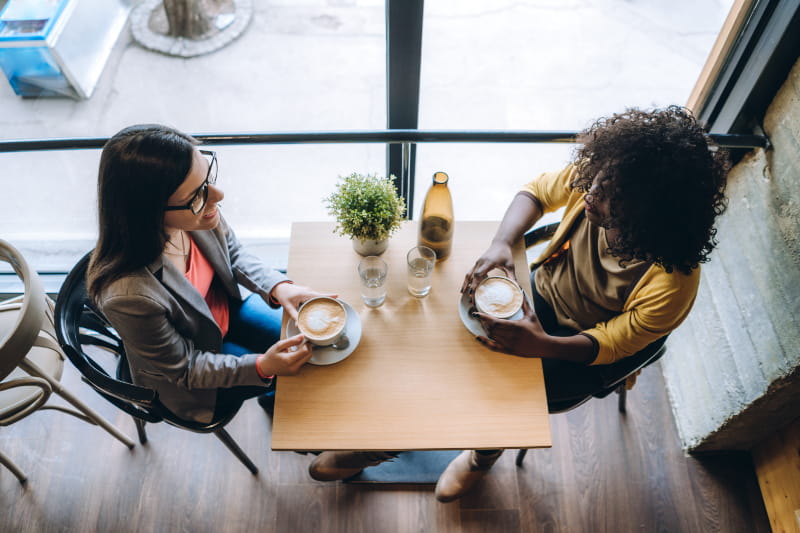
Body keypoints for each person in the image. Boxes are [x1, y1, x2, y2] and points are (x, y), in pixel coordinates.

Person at [305, 106, 730, 502]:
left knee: (497, 404)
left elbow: (612, 345)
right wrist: (502, 243)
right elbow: (537, 192)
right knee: (432, 348)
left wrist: (540, 344)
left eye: (605, 201)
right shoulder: (607, 184)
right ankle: (378, 445)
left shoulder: (672, 285)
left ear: (641, 224)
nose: (590, 193)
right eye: (597, 181)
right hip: (532, 292)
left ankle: (479, 458)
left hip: (574, 347)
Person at [87, 124, 330, 424]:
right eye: (198, 193)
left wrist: (278, 285)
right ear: (149, 211)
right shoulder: (128, 295)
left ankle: (272, 395)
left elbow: (232, 253)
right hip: (196, 374)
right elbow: (186, 369)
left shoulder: (196, 210)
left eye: (208, 178)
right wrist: (265, 366)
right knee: (303, 371)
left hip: (226, 312)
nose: (217, 195)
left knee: (316, 348)